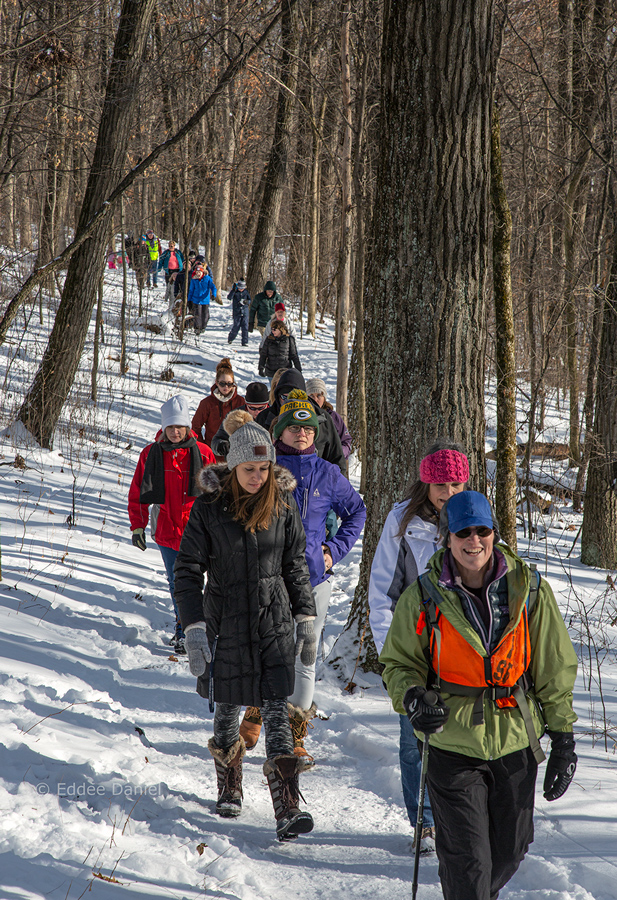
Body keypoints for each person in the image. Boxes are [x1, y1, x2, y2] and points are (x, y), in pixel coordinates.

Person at [380, 490, 578, 900]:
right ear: (447, 537)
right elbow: (399, 662)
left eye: (482, 530)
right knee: (468, 859)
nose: (474, 541)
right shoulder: (424, 595)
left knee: (510, 850)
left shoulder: (530, 591)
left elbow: (553, 666)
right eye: (463, 532)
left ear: (494, 533)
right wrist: (414, 697)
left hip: (515, 738)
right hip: (451, 741)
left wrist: (563, 737)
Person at [173, 412, 316, 841]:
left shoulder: (283, 506)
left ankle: (287, 806)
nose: (257, 477)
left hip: (272, 621)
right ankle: (229, 781)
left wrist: (306, 617)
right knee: (228, 708)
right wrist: (193, 626)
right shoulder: (208, 510)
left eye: (264, 468)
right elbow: (186, 570)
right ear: (233, 468)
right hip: (225, 621)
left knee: (275, 709)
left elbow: (295, 565)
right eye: (249, 469)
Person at [240, 391, 366, 762]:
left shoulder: (328, 474)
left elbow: (356, 513)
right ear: (279, 431)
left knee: (304, 654)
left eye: (308, 428)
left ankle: (296, 734)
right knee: (262, 647)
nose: (302, 434)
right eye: (294, 427)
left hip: (313, 581)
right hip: (266, 578)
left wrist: (333, 551)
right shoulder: (264, 470)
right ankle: (255, 713)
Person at [368, 441, 469, 853]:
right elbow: (382, 593)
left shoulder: (473, 518)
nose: (449, 492)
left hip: (463, 650)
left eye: (457, 483)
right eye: (442, 484)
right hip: (415, 649)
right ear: (426, 483)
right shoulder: (401, 522)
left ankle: (456, 818)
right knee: (414, 742)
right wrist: (393, 655)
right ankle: (423, 821)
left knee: (457, 739)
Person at [128, 396, 215, 652]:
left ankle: (202, 626)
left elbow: (216, 494)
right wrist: (137, 525)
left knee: (201, 580)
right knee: (177, 582)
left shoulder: (203, 453)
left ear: (188, 427)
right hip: (166, 529)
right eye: (170, 427)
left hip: (198, 529)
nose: (175, 432)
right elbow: (138, 492)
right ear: (164, 428)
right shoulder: (151, 454)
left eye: (180, 427)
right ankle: (183, 629)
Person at [256, 369, 346, 474]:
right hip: (276, 480)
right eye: (284, 397)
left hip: (315, 482)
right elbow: (255, 458)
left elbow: (337, 459)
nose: (289, 401)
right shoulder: (265, 417)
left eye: (292, 396)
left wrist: (336, 485)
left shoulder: (322, 418)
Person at [191, 358, 246, 458]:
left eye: (229, 384)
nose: (226, 387)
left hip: (236, 454)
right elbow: (195, 427)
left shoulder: (241, 402)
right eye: (222, 383)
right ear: (216, 383)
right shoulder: (207, 403)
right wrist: (203, 448)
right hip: (212, 454)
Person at [210, 382, 269, 457]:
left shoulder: (275, 415)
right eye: (252, 408)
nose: (257, 412)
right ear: (246, 404)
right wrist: (221, 445)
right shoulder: (235, 417)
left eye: (261, 408)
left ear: (267, 404)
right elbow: (217, 439)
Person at [306, 378, 352, 461]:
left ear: (324, 398)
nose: (315, 399)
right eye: (311, 396)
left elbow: (346, 441)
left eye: (319, 395)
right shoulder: (303, 416)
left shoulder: (333, 417)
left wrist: (338, 453)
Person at [188, 262, 217, 334]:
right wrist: (189, 300)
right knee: (197, 314)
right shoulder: (194, 280)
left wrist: (214, 294)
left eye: (199, 272)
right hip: (196, 300)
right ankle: (197, 328)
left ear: (202, 272)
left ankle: (203, 327)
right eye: (197, 272)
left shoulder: (207, 278)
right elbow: (191, 290)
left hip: (205, 300)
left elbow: (213, 287)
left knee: (205, 315)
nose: (198, 274)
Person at [158, 240, 184, 307]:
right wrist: (159, 268)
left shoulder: (178, 252)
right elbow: (161, 260)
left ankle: (178, 300)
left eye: (172, 246)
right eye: (169, 246)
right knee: (170, 285)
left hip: (177, 270)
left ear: (174, 246)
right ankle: (170, 299)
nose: (170, 247)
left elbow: (182, 259)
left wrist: (184, 268)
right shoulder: (166, 253)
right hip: (169, 271)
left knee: (178, 285)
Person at [227, 279, 252, 346]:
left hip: (245, 311)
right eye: (240, 288)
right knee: (236, 326)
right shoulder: (235, 292)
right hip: (237, 311)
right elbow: (229, 297)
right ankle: (231, 338)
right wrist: (233, 290)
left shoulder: (246, 292)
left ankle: (244, 342)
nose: (241, 289)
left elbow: (249, 300)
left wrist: (247, 302)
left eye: (243, 288)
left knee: (245, 327)